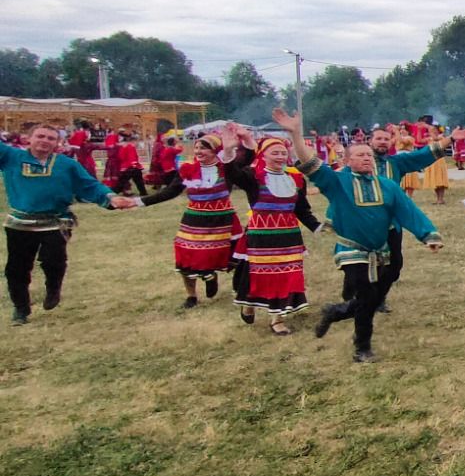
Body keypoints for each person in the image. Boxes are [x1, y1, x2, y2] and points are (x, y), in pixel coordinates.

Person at [267, 109, 443, 362]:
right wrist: (295, 134)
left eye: (369, 155)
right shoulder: (337, 182)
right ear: (348, 160)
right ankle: (362, 349)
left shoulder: (388, 185)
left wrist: (428, 235)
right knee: (369, 298)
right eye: (360, 155)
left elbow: (408, 211)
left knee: (369, 298)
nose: (367, 158)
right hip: (352, 251)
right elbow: (309, 162)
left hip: (380, 250)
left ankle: (336, 311)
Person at [3, 125, 138, 322]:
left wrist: (110, 198)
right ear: (28, 139)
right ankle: (21, 308)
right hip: (20, 222)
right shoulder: (11, 157)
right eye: (40, 136)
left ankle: (53, 288)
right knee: (17, 268)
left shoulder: (65, 164)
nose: (45, 141)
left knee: (54, 261)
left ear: (57, 143)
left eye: (50, 138)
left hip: (55, 221)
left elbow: (88, 185)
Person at [222, 125, 320, 335]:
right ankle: (249, 303)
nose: (280, 156)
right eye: (274, 152)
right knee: (258, 275)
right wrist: (230, 150)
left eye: (283, 152)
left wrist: (317, 227)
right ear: (263, 155)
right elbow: (231, 173)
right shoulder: (253, 177)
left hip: (289, 236)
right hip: (261, 237)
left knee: (285, 276)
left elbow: (302, 210)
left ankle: (277, 319)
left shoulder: (295, 179)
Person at [136, 131, 246, 309]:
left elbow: (246, 158)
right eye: (196, 147)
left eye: (204, 148)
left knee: (234, 257)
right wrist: (138, 201)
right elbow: (169, 192)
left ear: (215, 151)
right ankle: (191, 296)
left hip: (223, 220)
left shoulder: (225, 168)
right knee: (186, 257)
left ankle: (214, 276)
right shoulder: (187, 170)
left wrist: (235, 145)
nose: (199, 151)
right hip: (194, 220)